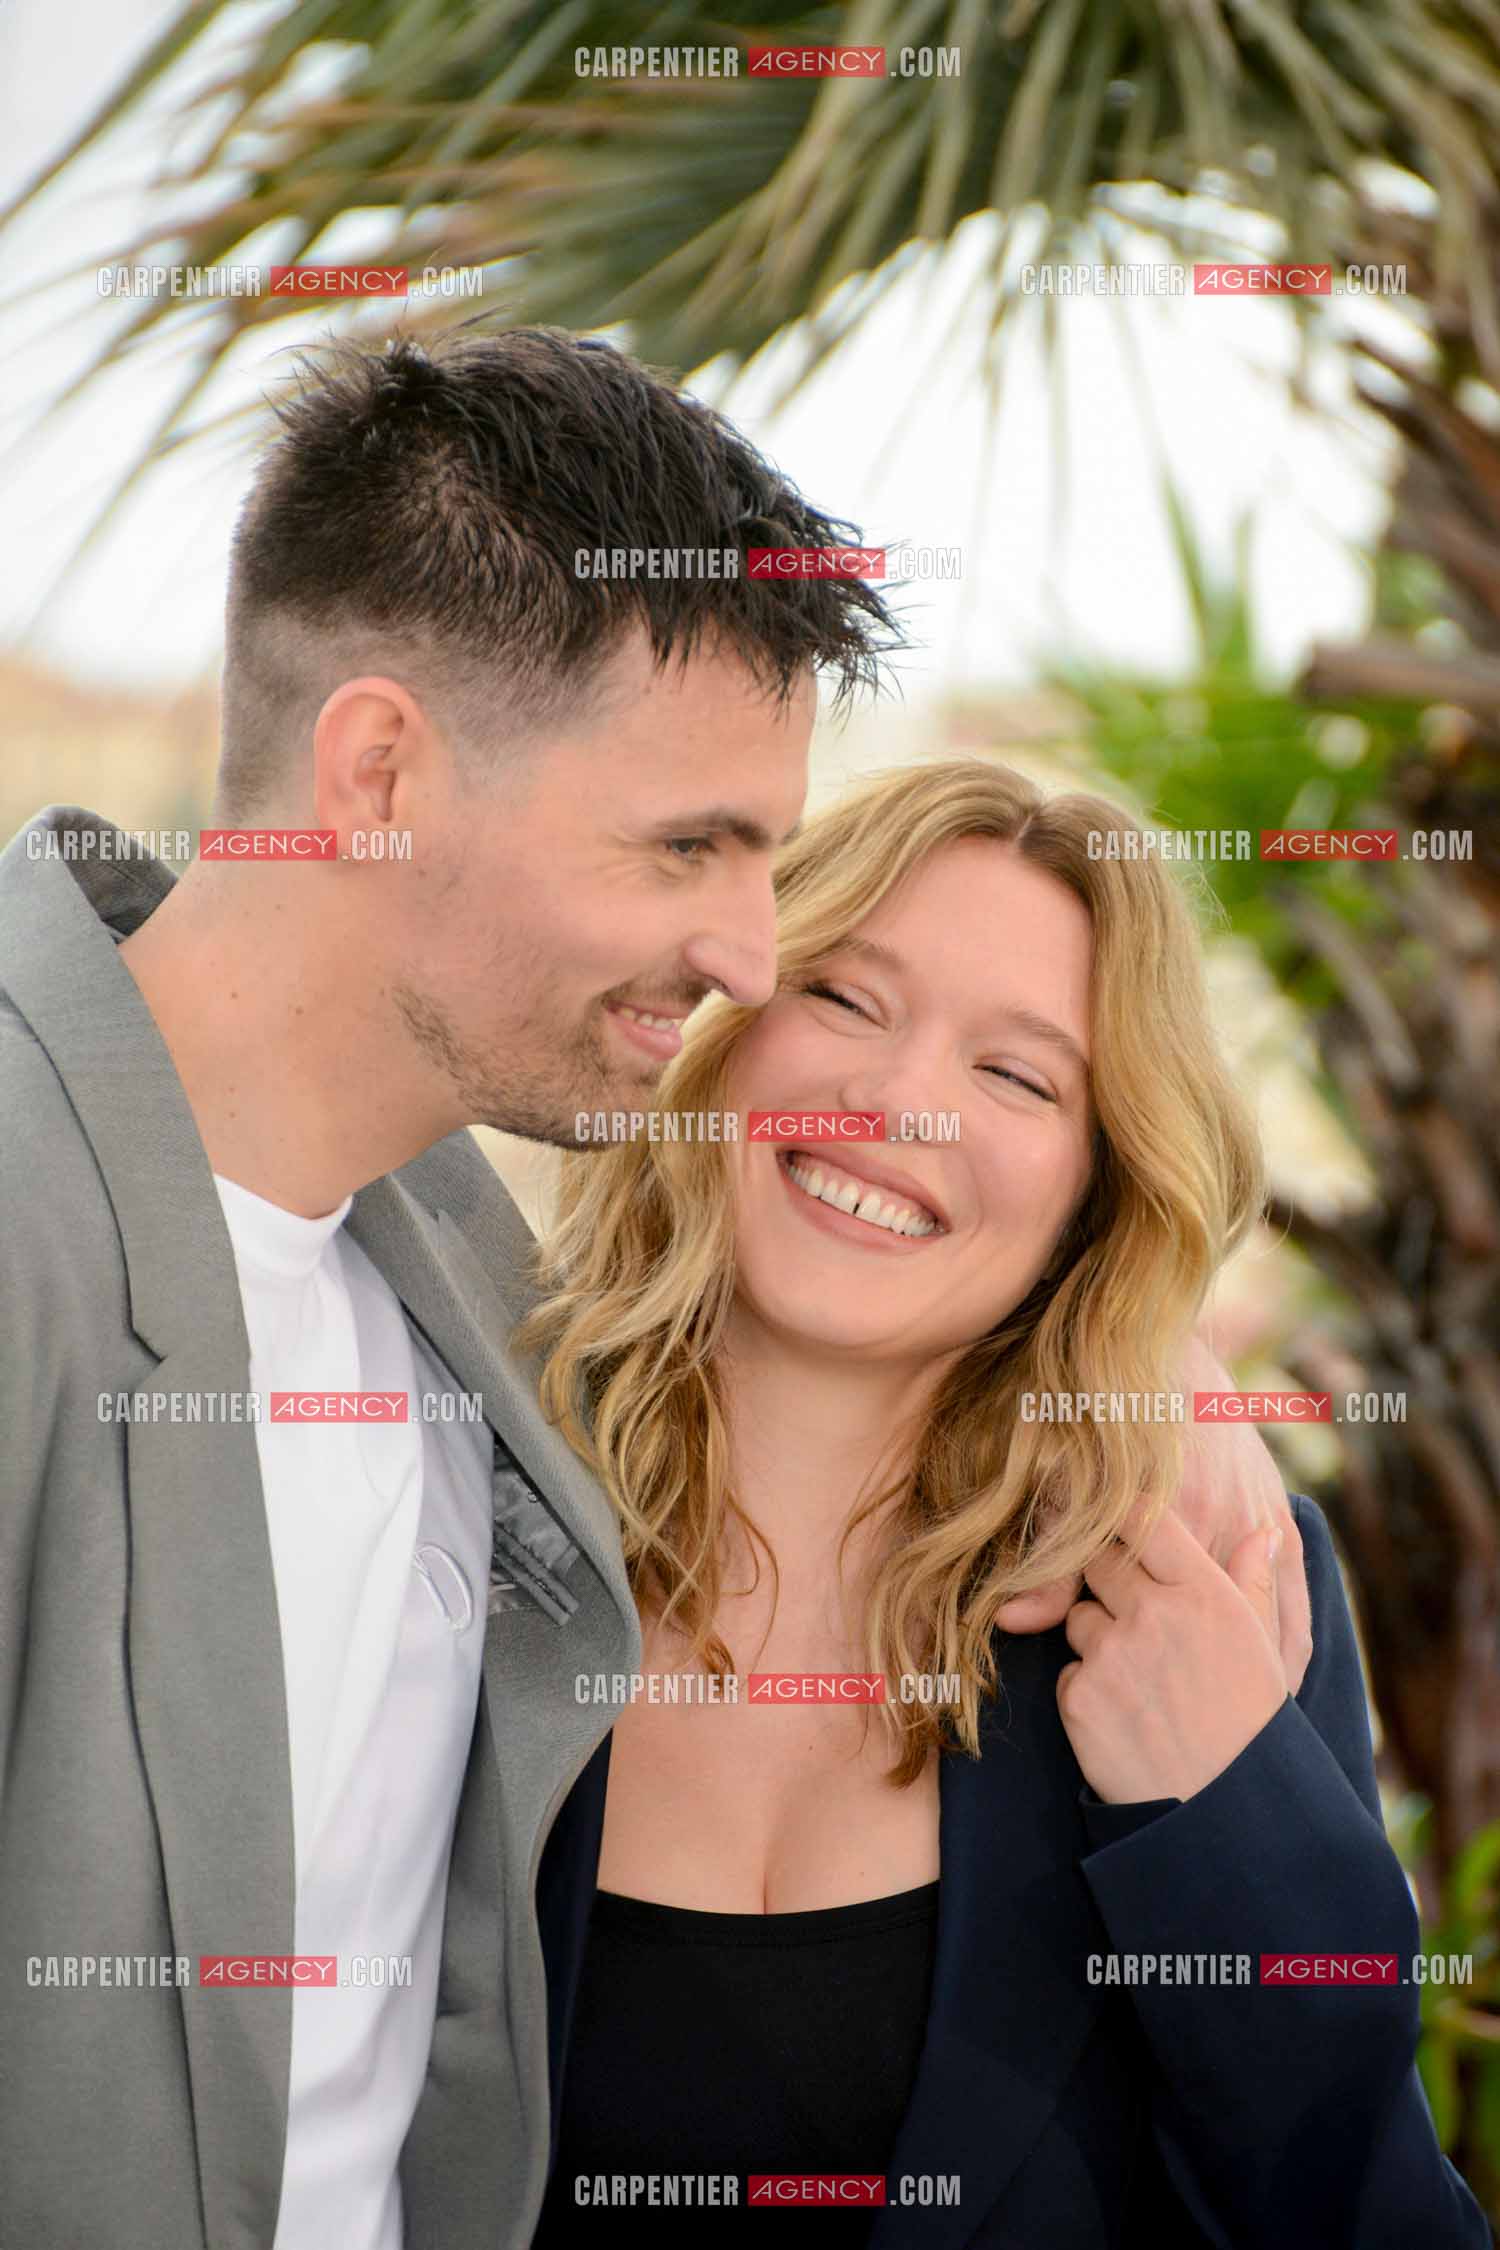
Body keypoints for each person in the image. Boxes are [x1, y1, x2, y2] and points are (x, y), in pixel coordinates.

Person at [0, 323, 1291, 2250]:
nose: (752, 957)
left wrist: (1130, 1350)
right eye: (688, 843)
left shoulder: (452, 1292)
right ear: (376, 769)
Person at [520, 758, 1491, 2247]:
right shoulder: (468, 1499)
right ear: (726, 1025)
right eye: (847, 996)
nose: (900, 1101)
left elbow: (1356, 2213)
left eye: (1018, 1074)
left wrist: (1233, 1815)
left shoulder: (1212, 1584)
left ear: (1094, 1189)